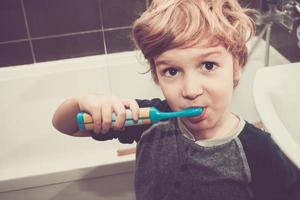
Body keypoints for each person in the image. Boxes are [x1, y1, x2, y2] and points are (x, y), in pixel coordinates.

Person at [52, 0, 300, 199]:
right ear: (157, 76)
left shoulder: (258, 149)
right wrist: (86, 102)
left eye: (208, 65)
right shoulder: (147, 118)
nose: (190, 90)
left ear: (236, 68)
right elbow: (66, 126)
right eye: (172, 71)